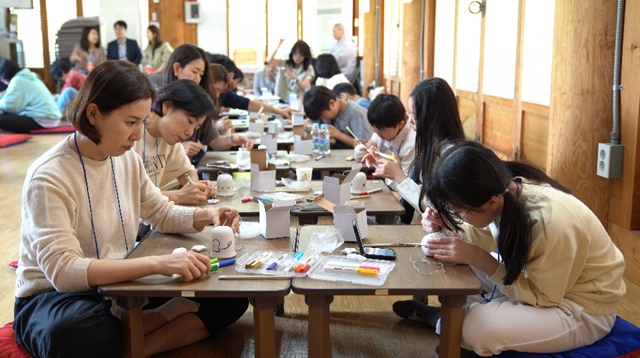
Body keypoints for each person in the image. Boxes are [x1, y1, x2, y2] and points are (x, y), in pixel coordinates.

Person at [13, 61, 248, 357]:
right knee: (74, 332)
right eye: (130, 122)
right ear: (94, 113)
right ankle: (143, 324)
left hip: (118, 286)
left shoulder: (125, 159)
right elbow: (63, 272)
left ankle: (136, 345)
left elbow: (160, 212)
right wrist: (158, 264)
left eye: (141, 122)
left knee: (232, 298)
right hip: (56, 296)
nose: (138, 135)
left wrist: (208, 215)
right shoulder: (49, 175)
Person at [395, 140, 627, 356]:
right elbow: (484, 234)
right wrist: (445, 225)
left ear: (490, 203)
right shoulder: (505, 194)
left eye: (458, 212)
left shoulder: (552, 222)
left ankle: (446, 320)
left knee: (476, 327)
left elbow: (543, 298)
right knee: (450, 255)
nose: (457, 217)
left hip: (579, 308)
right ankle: (453, 319)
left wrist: (480, 258)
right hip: (539, 284)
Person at [364, 77, 466, 224]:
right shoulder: (432, 146)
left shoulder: (450, 156)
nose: (410, 121)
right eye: (409, 114)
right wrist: (390, 171)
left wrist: (399, 176)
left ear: (433, 118)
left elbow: (439, 208)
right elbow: (417, 193)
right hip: (417, 225)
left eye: (415, 115)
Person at [161, 47, 254, 162]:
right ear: (177, 68)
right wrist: (179, 148)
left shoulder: (199, 103)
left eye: (201, 75)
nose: (197, 79)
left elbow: (214, 141)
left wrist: (232, 140)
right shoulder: (158, 102)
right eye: (194, 72)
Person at [133, 79, 215, 205]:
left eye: (196, 128)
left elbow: (186, 171)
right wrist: (177, 196)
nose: (190, 133)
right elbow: (124, 196)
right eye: (189, 121)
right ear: (167, 106)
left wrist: (194, 186)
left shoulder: (169, 138)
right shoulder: (131, 135)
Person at [209, 53, 292, 119]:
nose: (231, 81)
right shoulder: (202, 96)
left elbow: (248, 103)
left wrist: (279, 111)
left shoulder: (224, 93)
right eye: (230, 76)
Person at [358, 94, 415, 183]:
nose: (376, 132)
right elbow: (369, 146)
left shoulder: (412, 143)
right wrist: (362, 148)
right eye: (373, 127)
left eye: (380, 129)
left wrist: (379, 162)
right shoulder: (383, 126)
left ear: (400, 125)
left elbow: (405, 183)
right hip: (386, 180)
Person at [0, 59, 61, 133]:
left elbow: (11, 106)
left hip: (41, 120)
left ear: (4, 75)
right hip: (51, 119)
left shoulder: (17, 80)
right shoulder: (28, 77)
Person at [303, 85, 373, 148]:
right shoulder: (321, 108)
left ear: (332, 103)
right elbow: (307, 123)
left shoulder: (357, 114)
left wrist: (338, 135)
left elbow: (365, 146)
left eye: (322, 116)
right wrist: (319, 130)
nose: (321, 119)